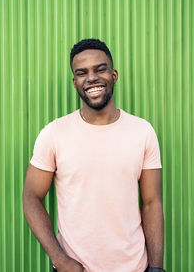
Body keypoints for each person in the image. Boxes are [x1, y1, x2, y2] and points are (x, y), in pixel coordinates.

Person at [23, 39, 165, 272]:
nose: (91, 78)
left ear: (114, 75)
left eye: (100, 69)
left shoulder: (142, 131)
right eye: (82, 73)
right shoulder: (54, 133)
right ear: (75, 82)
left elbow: (152, 203)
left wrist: (156, 267)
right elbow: (31, 197)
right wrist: (60, 260)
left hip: (134, 267)